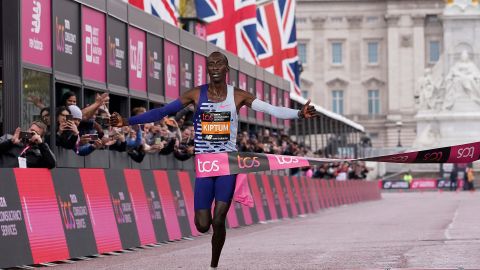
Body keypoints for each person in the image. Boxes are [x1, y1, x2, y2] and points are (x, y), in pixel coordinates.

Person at [110, 51, 317, 269]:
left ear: (227, 69)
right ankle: (211, 246)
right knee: (202, 224)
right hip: (205, 166)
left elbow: (271, 109)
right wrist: (127, 121)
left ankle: (214, 264)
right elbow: (163, 111)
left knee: (219, 219)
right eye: (211, 64)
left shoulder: (237, 95)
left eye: (219, 64)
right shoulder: (195, 94)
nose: (215, 67)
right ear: (207, 69)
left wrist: (299, 113)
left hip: (228, 163)